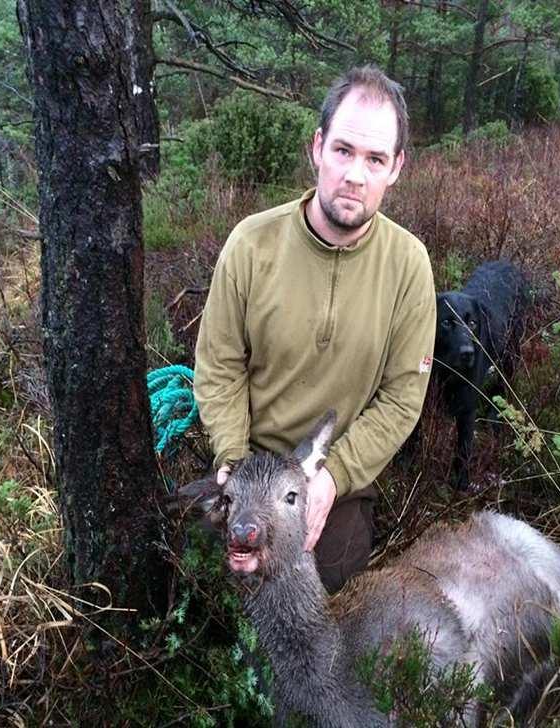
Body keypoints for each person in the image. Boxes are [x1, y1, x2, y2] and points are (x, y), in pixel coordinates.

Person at [194, 66, 436, 592]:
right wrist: (233, 466)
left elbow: (401, 398)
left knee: (322, 599)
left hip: (336, 482)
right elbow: (219, 367)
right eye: (344, 151)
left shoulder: (409, 265)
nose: (355, 175)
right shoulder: (250, 245)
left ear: (396, 168)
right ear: (318, 148)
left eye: (375, 160)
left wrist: (330, 479)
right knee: (199, 588)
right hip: (250, 464)